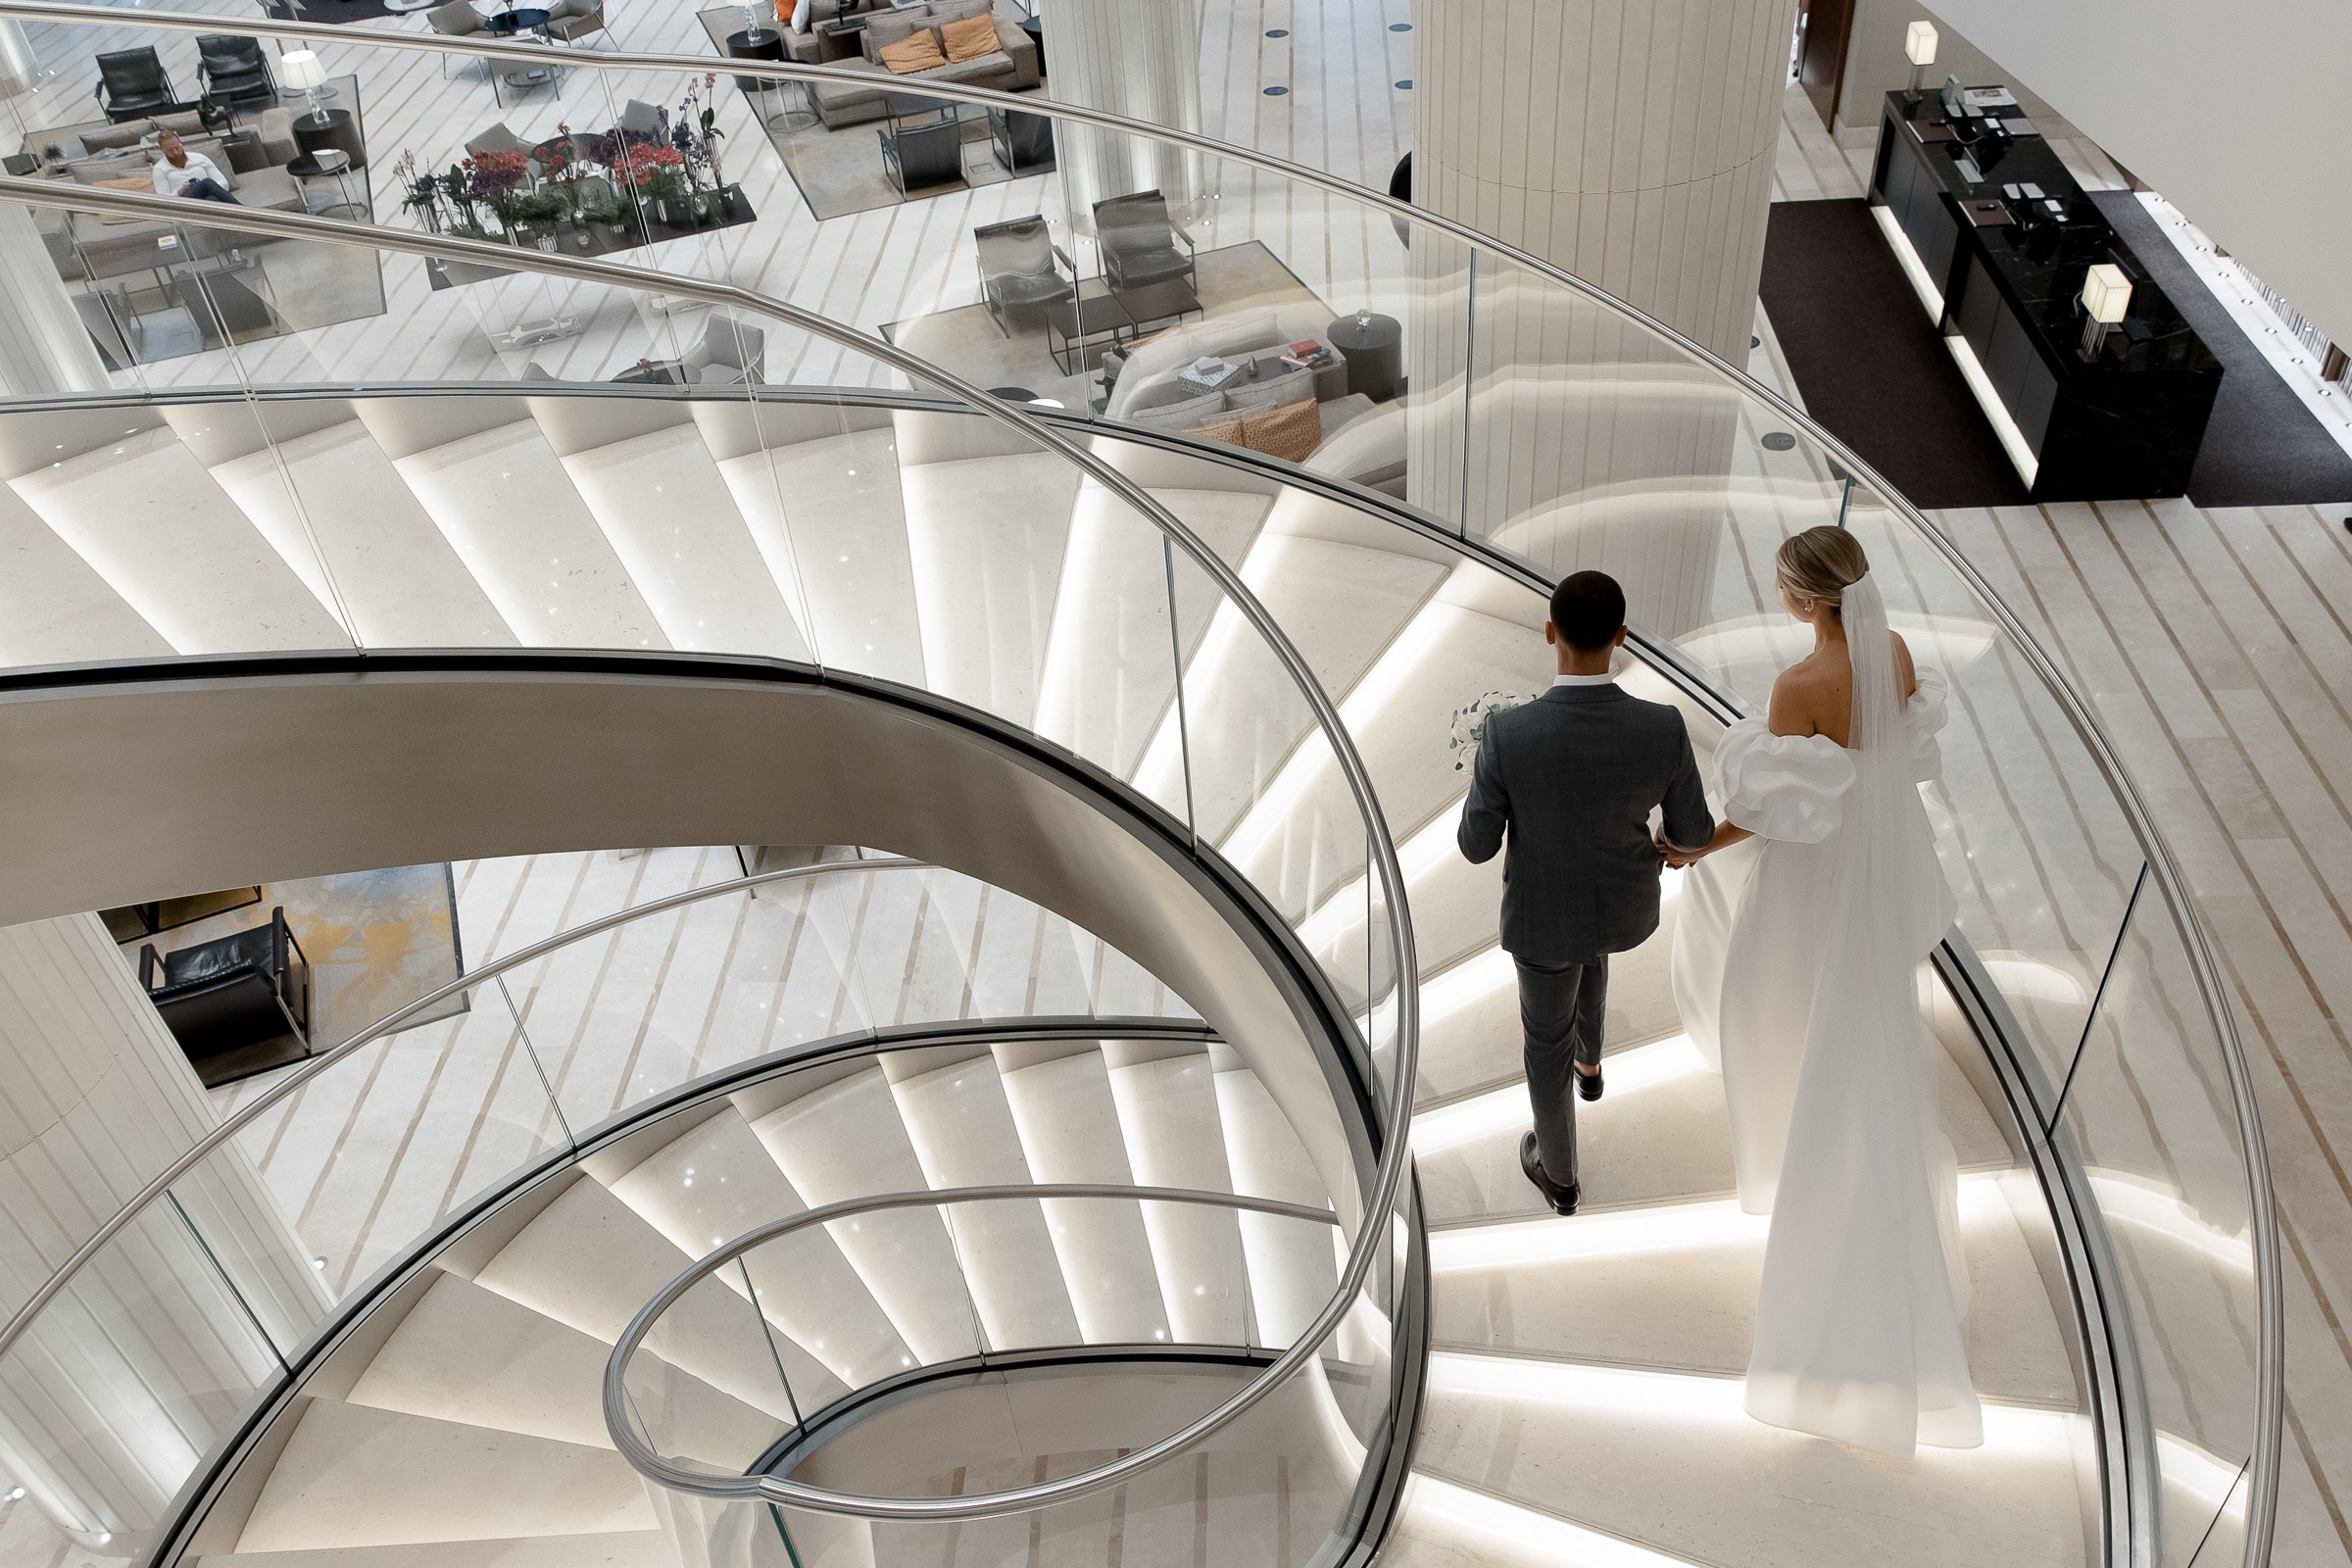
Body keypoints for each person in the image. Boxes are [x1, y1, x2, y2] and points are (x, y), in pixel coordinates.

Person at [1664, 525, 1980, 1458]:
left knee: (1766, 986)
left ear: (1804, 600)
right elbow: (1886, 760)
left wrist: (1695, 848)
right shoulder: (1895, 652)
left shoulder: (1797, 689)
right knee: (1840, 1001)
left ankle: (1786, 1127)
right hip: (1874, 868)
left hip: (1815, 875)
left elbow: (1774, 807)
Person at [1458, 570, 1713, 1217]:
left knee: (1544, 1039)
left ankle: (1560, 1175)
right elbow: (1694, 833)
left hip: (1545, 920)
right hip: (1625, 906)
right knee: (1593, 950)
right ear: (1621, 638)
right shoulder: (1664, 726)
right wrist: (1662, 839)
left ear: (1551, 634)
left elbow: (1475, 845)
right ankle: (1591, 1066)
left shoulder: (1508, 734)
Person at [151, 130, 237, 204]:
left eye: (177, 148)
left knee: (211, 198)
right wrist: (179, 192)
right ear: (162, 150)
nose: (175, 152)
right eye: (170, 150)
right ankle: (245, 211)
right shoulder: (159, 169)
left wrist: (210, 190)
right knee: (206, 182)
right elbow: (162, 200)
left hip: (209, 198)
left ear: (180, 144)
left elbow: (223, 182)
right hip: (185, 203)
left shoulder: (200, 158)